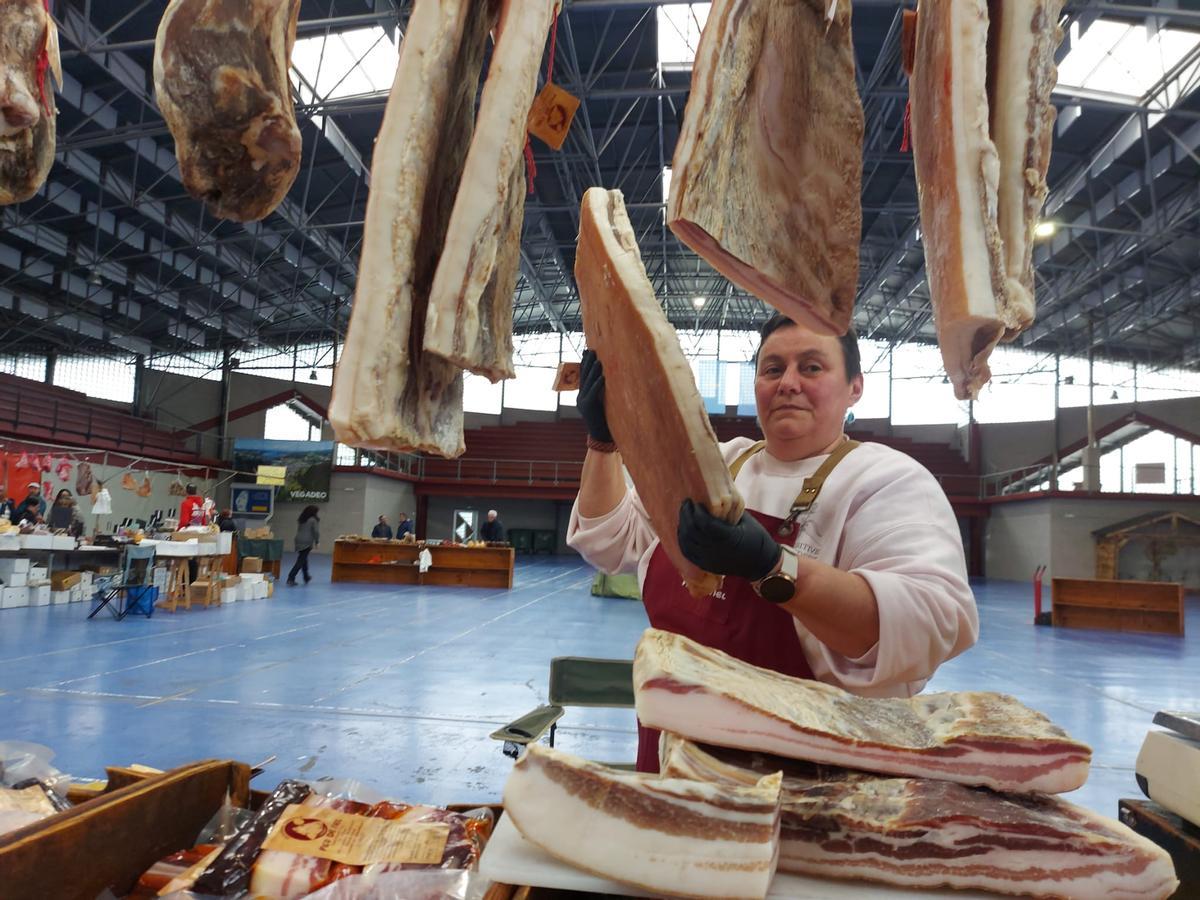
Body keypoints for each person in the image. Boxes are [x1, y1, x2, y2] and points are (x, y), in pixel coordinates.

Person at [567, 313, 979, 772]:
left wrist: (774, 568)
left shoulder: (887, 481)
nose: (788, 383)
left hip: (802, 779)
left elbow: (926, 625)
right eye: (773, 369)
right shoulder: (715, 464)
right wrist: (603, 443)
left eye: (811, 367)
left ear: (855, 387)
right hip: (670, 763)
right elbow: (609, 539)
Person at [287, 505, 320, 586]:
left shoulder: (302, 519)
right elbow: (316, 532)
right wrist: (317, 541)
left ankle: (306, 576)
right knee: (301, 560)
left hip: (298, 539)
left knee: (303, 558)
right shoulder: (313, 520)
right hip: (307, 541)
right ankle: (291, 577)